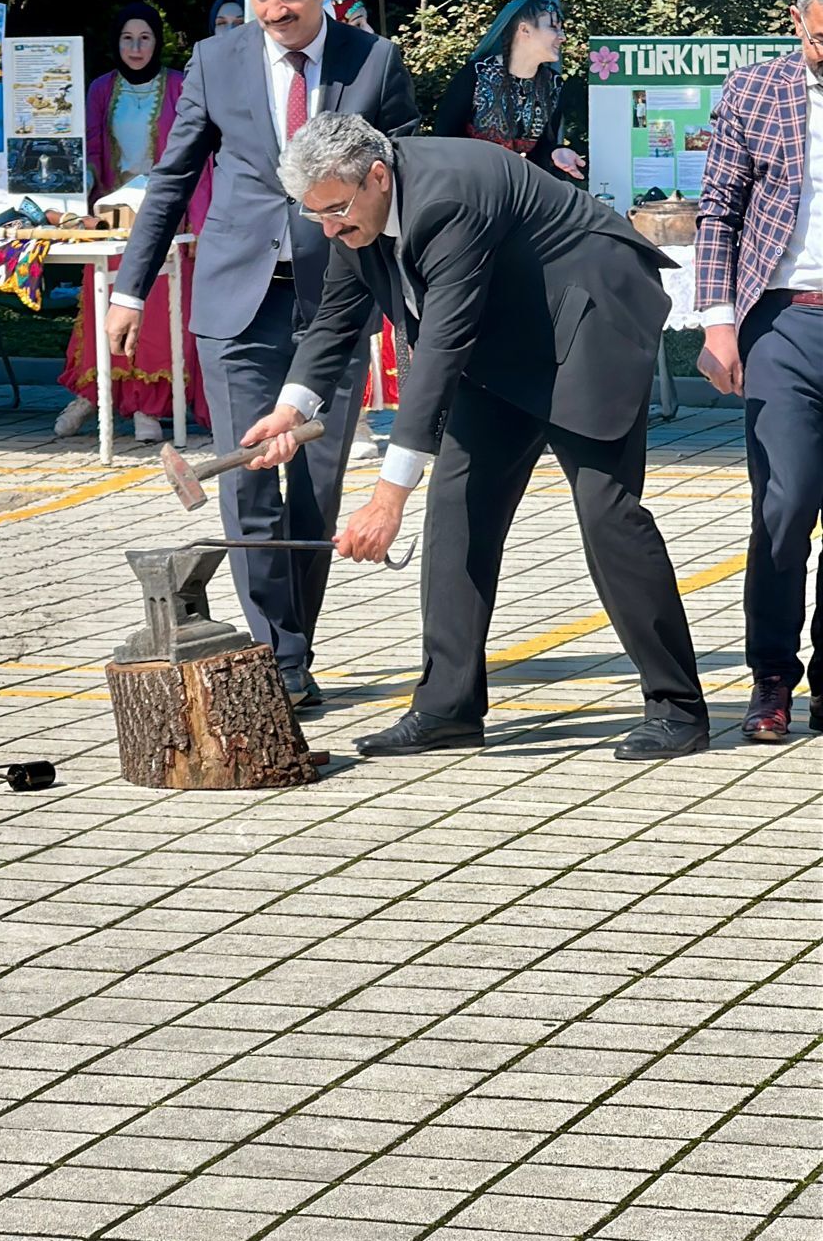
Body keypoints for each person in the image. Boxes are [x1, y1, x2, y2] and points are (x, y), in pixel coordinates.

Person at [243, 112, 708, 761]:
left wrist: (386, 496)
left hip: (590, 317)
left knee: (608, 512)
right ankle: (447, 708)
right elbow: (334, 321)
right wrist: (291, 409)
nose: (328, 229)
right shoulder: (354, 212)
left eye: (336, 211)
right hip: (507, 338)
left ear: (378, 176)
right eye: (315, 214)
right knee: (457, 508)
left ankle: (678, 706)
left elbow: (440, 346)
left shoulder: (449, 195)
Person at [106, 0, 419, 710]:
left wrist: (417, 296)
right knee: (249, 475)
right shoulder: (217, 61)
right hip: (236, 295)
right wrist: (128, 291)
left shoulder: (372, 60)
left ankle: (294, 644)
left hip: (337, 300)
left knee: (315, 479)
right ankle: (273, 652)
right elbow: (171, 179)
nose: (274, 12)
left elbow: (407, 176)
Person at [696, 0, 823, 743]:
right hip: (782, 319)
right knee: (785, 503)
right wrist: (717, 321)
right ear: (798, 18)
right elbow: (719, 208)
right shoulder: (755, 90)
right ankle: (772, 676)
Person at [56, 2, 211, 444]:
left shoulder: (180, 86)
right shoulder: (102, 89)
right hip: (111, 219)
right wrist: (74, 195)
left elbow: (200, 157)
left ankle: (149, 407)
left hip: (165, 219)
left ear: (157, 40)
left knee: (161, 316)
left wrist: (196, 219)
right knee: (102, 307)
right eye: (128, 38)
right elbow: (88, 151)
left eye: (144, 38)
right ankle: (97, 393)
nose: (136, 47)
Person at [433, 0, 585, 179]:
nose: (562, 37)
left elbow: (540, 151)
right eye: (553, 27)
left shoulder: (553, 86)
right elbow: (443, 140)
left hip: (517, 194)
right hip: (468, 187)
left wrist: (555, 153)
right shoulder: (476, 74)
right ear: (524, 29)